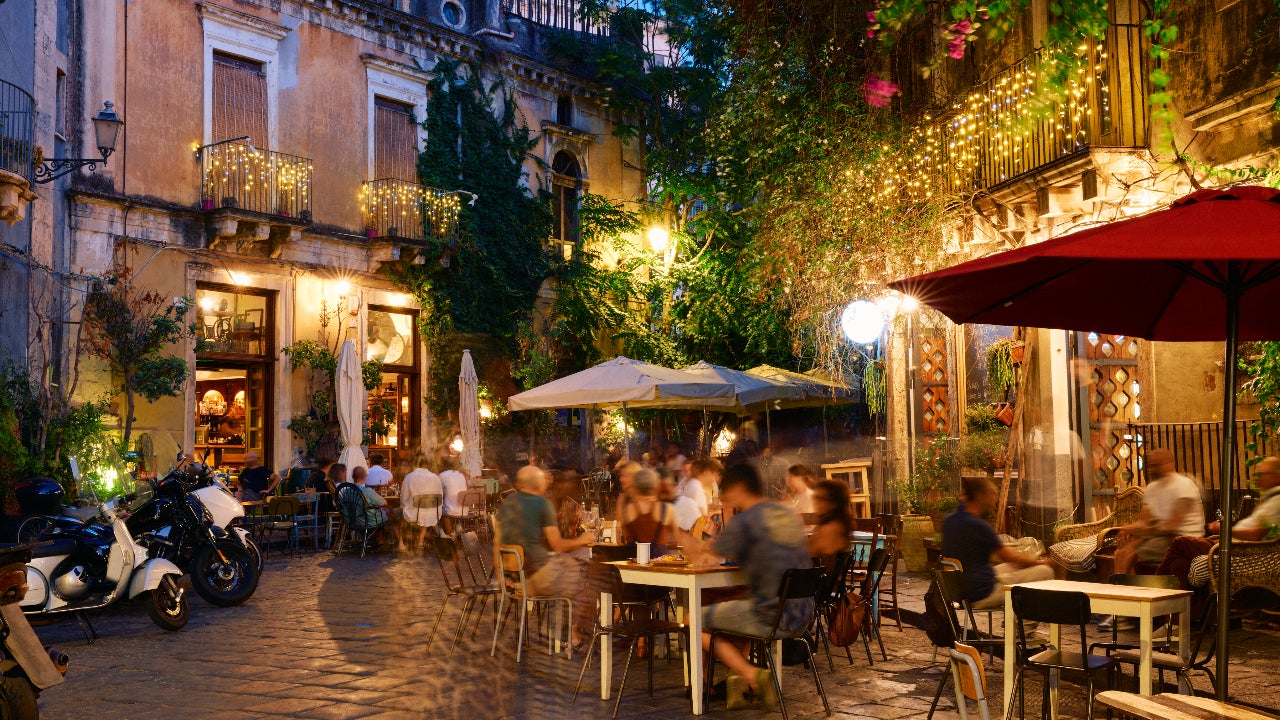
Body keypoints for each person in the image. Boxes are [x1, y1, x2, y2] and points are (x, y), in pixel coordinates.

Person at [697, 463, 813, 710]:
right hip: (803, 614)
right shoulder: (787, 514)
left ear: (738, 488)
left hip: (771, 615)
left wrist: (682, 533)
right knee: (734, 612)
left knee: (692, 620)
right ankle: (737, 679)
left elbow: (705, 554)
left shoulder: (746, 521)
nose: (724, 498)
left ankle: (751, 674)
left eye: (726, 492)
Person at [495, 465, 594, 647]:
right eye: (544, 481)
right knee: (583, 577)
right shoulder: (542, 504)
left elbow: (497, 543)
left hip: (513, 584)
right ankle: (573, 637)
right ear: (537, 484)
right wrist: (582, 540)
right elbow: (558, 546)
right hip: (537, 580)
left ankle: (557, 633)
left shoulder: (507, 503)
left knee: (571, 573)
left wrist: (501, 576)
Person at [942, 476, 1054, 613]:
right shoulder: (979, 526)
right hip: (981, 592)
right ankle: (1021, 628)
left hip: (959, 587)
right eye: (991, 492)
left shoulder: (949, 521)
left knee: (1010, 568)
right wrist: (1039, 562)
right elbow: (1012, 559)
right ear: (979, 496)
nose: (995, 496)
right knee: (1045, 572)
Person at [622, 469, 679, 557]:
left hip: (633, 563)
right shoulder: (667, 508)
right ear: (656, 486)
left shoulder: (627, 509)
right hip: (660, 564)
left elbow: (623, 537)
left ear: (635, 487)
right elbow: (677, 538)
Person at [398, 456, 442, 549]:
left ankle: (401, 543)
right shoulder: (435, 477)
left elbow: (403, 499)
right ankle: (420, 541)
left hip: (414, 514)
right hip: (433, 514)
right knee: (424, 511)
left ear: (415, 465)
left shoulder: (410, 477)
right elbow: (441, 496)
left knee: (396, 513)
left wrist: (403, 506)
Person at [809, 479, 854, 569]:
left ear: (834, 503)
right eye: (814, 498)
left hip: (819, 581)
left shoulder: (829, 530)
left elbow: (808, 555)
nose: (815, 502)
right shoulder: (841, 525)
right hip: (829, 581)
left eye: (820, 498)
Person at [438, 456, 468, 533]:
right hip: (464, 510)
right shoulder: (461, 475)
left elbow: (438, 491)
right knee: (450, 504)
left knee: (441, 509)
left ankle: (449, 533)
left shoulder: (442, 475)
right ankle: (458, 527)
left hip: (451, 511)